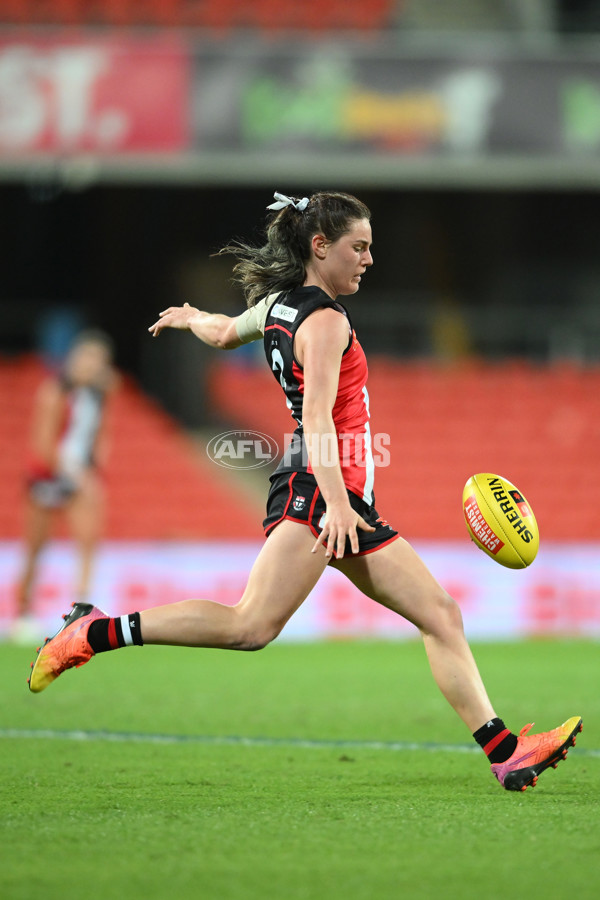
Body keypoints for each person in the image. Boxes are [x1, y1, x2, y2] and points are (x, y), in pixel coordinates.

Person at [28, 191, 581, 792]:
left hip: (331, 492)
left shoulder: (276, 306)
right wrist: (339, 506)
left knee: (440, 615)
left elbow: (223, 334)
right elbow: (316, 417)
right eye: (359, 248)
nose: (369, 259)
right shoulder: (324, 320)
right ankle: (90, 631)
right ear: (321, 247)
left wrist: (193, 319)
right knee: (250, 626)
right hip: (322, 489)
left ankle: (506, 753)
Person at [14, 330, 116, 642]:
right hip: (48, 475)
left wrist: (95, 465)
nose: (92, 366)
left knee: (88, 542)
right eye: (87, 358)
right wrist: (77, 475)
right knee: (36, 547)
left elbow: (100, 435)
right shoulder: (56, 391)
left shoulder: (99, 394)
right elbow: (44, 443)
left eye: (98, 361)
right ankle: (23, 613)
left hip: (80, 473)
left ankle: (81, 612)